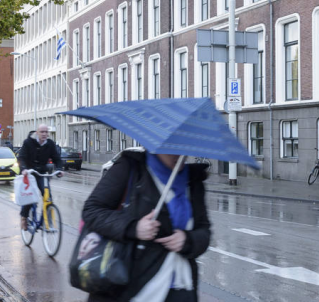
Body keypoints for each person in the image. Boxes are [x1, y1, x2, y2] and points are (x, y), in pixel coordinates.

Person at [81, 149, 211, 302]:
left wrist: (188, 240)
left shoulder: (193, 181)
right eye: (171, 149)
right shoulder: (130, 168)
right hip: (130, 285)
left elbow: (204, 229)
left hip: (180, 287)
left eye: (182, 149)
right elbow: (92, 210)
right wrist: (133, 228)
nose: (179, 155)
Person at [17, 124, 62, 230]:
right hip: (29, 172)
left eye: (46, 132)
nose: (44, 134)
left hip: (41, 173)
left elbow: (57, 158)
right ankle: (24, 217)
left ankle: (46, 221)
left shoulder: (50, 144)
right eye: (42, 132)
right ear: (37, 132)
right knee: (30, 196)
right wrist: (23, 169)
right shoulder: (28, 142)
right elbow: (21, 157)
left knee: (48, 196)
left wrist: (60, 169)